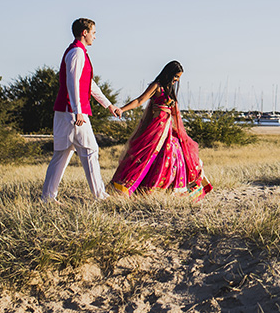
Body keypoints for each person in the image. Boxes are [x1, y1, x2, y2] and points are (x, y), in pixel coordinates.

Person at [41, 18, 123, 202]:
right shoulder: (77, 52)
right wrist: (78, 110)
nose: (95, 36)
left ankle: (47, 197)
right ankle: (100, 195)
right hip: (73, 113)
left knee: (62, 153)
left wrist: (108, 105)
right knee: (91, 150)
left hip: (66, 111)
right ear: (84, 32)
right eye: (93, 32)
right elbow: (72, 83)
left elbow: (89, 85)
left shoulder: (77, 51)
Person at [109, 60, 212, 201]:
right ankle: (139, 188)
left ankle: (166, 190)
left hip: (168, 129)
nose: (176, 81)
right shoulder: (157, 86)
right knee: (145, 156)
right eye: (175, 77)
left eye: (178, 78)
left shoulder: (170, 90)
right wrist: (122, 109)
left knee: (175, 156)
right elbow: (140, 100)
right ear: (168, 74)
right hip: (156, 130)